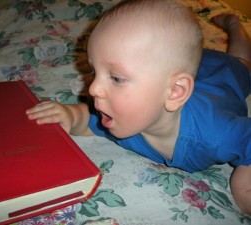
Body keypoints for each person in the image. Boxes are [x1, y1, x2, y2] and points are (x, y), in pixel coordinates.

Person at [26, 0, 251, 215]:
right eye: (94, 72)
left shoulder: (216, 133)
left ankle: (234, 25)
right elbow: (87, 120)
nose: (93, 88)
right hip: (189, 70)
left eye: (115, 78)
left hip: (224, 74)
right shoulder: (118, 116)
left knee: (242, 61)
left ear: (174, 92)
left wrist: (243, 181)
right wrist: (69, 115)